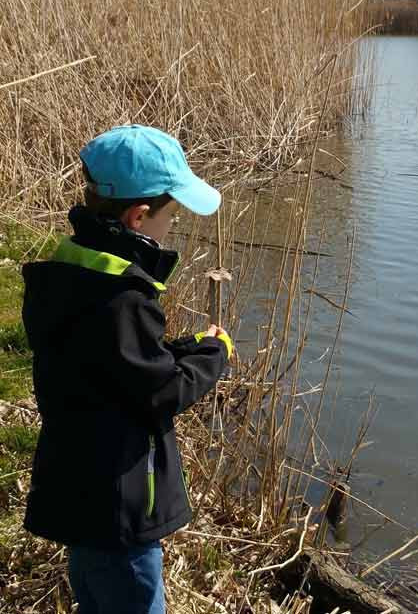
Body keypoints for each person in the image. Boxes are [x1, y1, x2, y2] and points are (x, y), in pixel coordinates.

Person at [21, 125, 233, 614]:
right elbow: (161, 392)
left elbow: (122, 365)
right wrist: (213, 353)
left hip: (81, 491)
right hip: (119, 509)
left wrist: (183, 346)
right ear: (139, 217)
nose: (171, 227)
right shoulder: (123, 301)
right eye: (170, 216)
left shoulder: (73, 271)